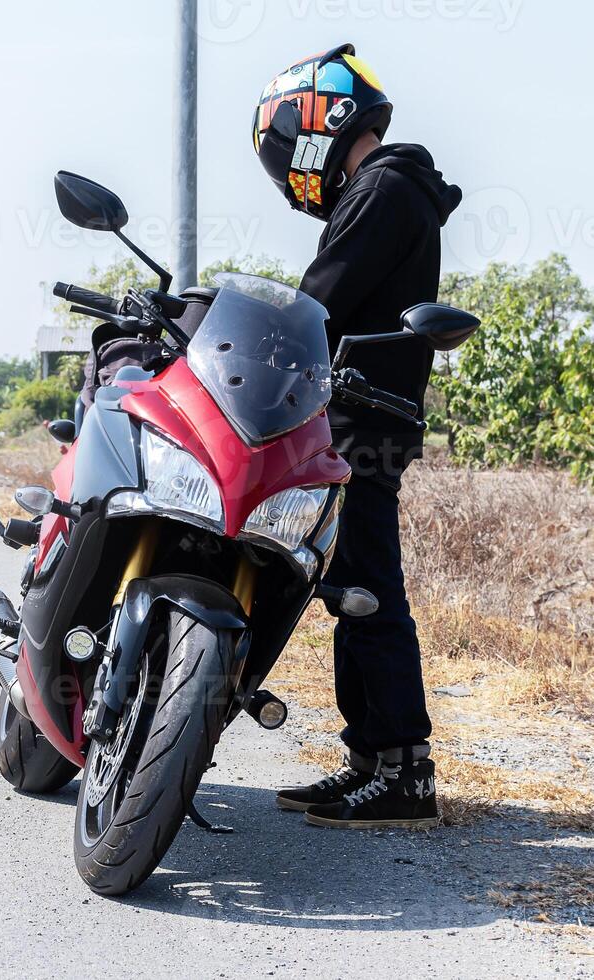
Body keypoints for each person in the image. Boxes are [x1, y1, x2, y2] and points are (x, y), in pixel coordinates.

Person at [251, 44, 461, 828]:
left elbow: (320, 300)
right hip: (358, 419)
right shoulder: (383, 189)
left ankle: (405, 769)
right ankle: (367, 759)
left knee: (371, 589)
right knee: (348, 591)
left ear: (315, 122)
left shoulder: (382, 189)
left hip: (364, 423)